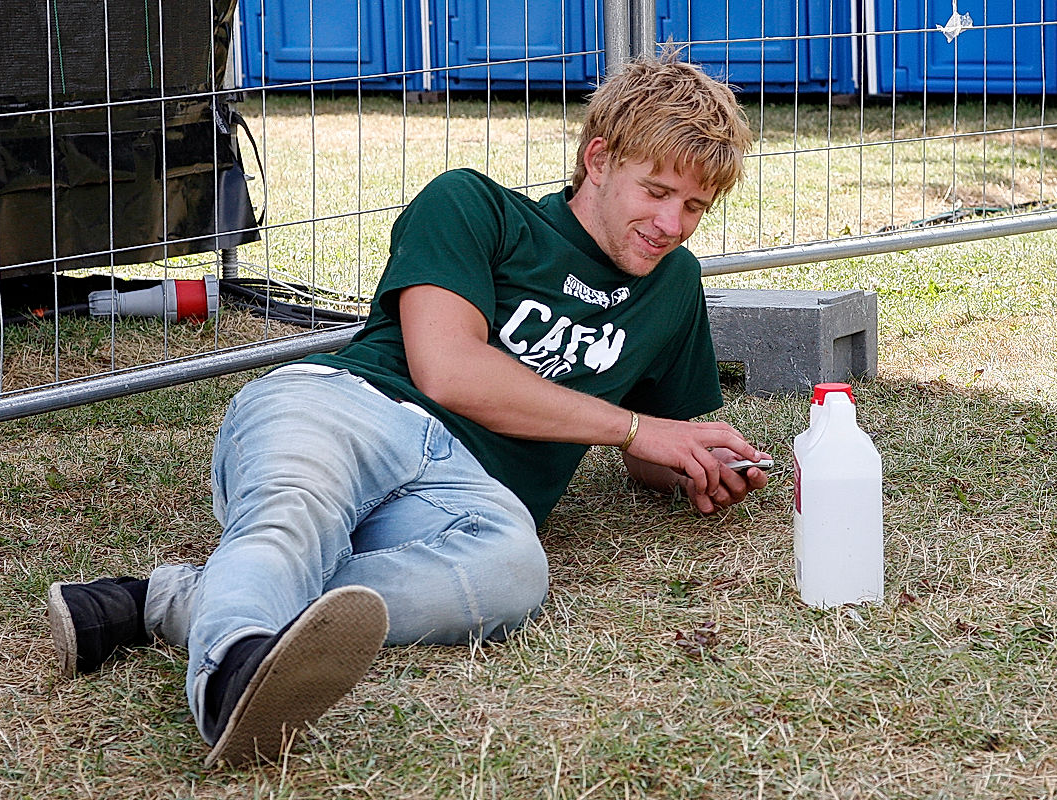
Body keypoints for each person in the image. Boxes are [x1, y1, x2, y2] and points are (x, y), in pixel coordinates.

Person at [46, 48, 770, 767]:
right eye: (657, 191)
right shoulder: (475, 206)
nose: (672, 223)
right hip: (348, 407)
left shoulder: (672, 286)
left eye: (695, 207)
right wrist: (639, 428)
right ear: (601, 158)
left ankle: (171, 600)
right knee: (296, 509)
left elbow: (649, 448)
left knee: (515, 571)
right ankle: (232, 678)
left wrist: (690, 463)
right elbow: (449, 370)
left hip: (470, 494)